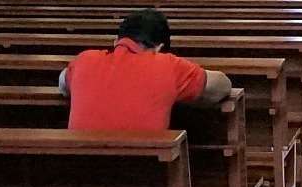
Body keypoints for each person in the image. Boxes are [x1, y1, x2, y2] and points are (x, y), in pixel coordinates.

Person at [59, 8, 232, 131]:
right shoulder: (168, 65)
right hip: (145, 175)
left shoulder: (84, 59)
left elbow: (63, 84)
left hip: (78, 174)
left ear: (115, 42)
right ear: (159, 48)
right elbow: (222, 86)